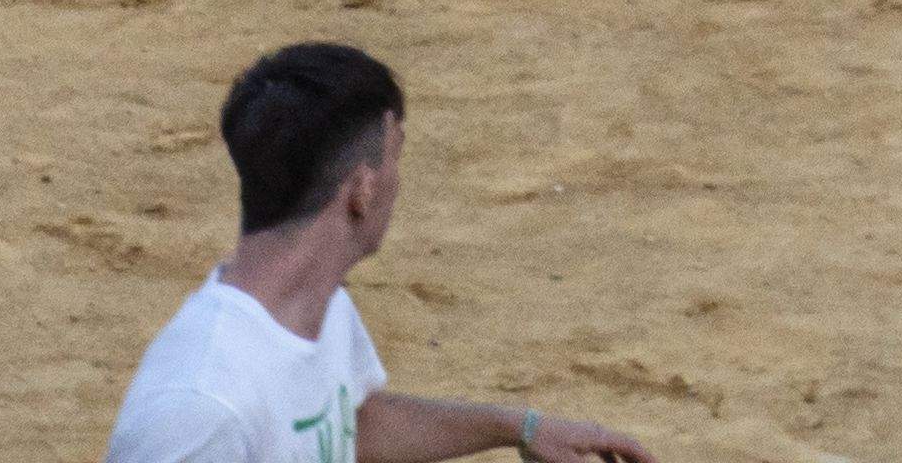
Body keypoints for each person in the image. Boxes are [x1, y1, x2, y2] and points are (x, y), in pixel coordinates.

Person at [100, 43, 657, 463]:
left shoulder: (314, 308)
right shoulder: (198, 409)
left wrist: (521, 427)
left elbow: (347, 424)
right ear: (362, 190)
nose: (398, 182)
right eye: (395, 159)